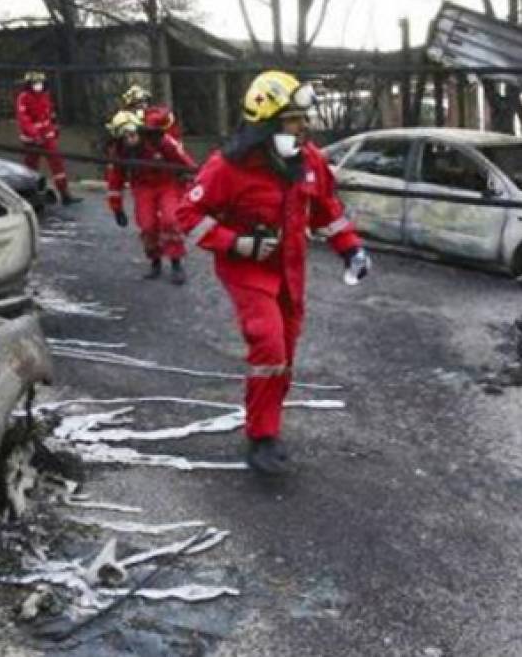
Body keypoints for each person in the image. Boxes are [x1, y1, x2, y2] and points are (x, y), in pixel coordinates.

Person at [176, 71, 372, 475]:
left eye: (304, 118)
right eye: (294, 119)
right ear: (266, 122)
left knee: (285, 356)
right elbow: (187, 214)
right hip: (248, 273)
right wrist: (236, 243)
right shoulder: (227, 167)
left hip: (291, 270)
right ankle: (261, 437)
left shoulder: (310, 160)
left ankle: (270, 427)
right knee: (269, 346)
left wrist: (350, 248)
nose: (304, 128)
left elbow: (326, 211)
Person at [106, 105, 197, 284]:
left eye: (132, 134)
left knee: (170, 220)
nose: (130, 139)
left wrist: (194, 182)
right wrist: (117, 208)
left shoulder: (159, 140)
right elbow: (115, 180)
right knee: (147, 225)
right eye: (125, 137)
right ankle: (155, 261)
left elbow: (184, 160)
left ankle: (176, 262)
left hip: (167, 183)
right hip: (142, 187)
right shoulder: (119, 152)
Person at [16, 71, 75, 204]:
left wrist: (54, 128)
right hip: (32, 140)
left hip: (48, 137)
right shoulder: (23, 97)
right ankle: (29, 195)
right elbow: (24, 119)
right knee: (30, 168)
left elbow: (50, 113)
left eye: (40, 83)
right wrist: (35, 135)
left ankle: (65, 194)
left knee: (57, 164)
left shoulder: (45, 95)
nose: (38, 86)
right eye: (35, 83)